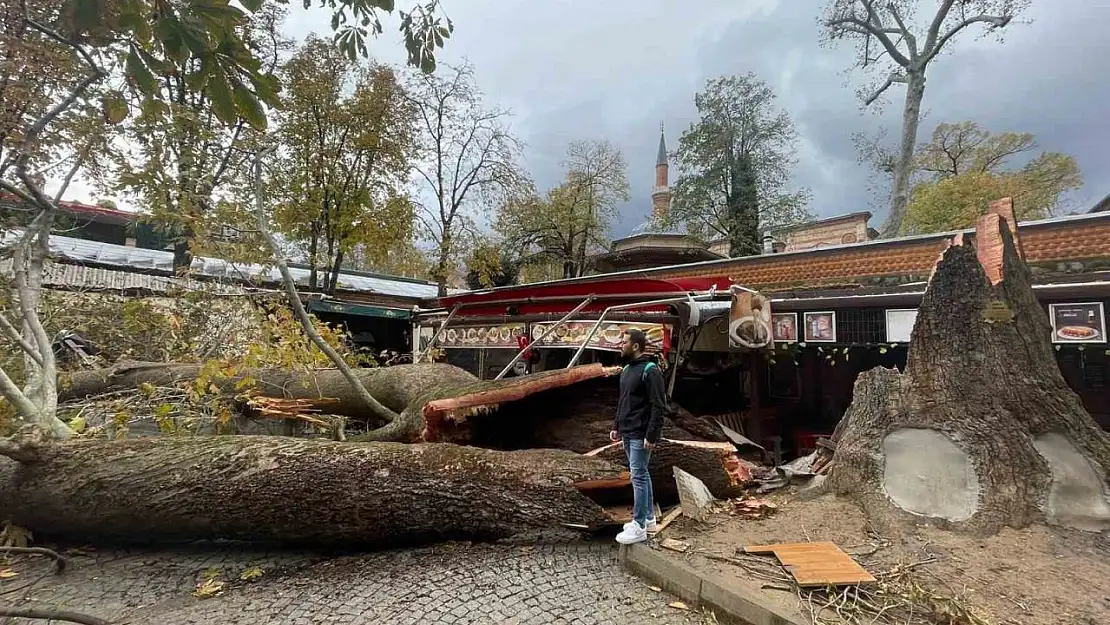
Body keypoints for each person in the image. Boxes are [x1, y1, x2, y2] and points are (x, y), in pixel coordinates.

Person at [610, 328, 667, 545]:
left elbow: (658, 406)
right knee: (642, 474)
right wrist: (617, 425)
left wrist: (652, 435)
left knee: (639, 477)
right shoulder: (626, 371)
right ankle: (650, 519)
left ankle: (639, 525)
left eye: (624, 342)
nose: (620, 345)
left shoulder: (650, 371)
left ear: (635, 346)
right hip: (627, 431)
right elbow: (623, 401)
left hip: (640, 434)